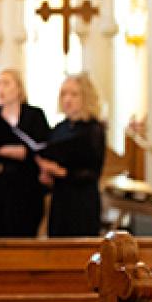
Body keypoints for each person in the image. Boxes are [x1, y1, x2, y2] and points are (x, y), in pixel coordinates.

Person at [0, 69, 50, 237]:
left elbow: (41, 148)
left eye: (6, 83)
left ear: (19, 88)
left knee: (23, 232)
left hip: (25, 185)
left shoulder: (34, 115)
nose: (1, 89)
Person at [37, 73, 106, 237]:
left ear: (86, 97)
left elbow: (93, 173)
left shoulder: (93, 129)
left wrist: (60, 172)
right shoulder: (59, 129)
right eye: (64, 94)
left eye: (74, 94)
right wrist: (46, 174)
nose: (67, 99)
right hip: (60, 199)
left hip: (82, 201)